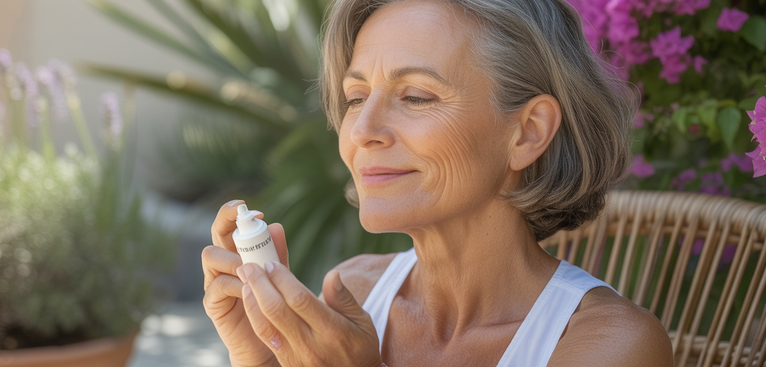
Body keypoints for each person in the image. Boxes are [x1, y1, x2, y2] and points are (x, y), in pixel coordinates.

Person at [202, 0, 675, 365]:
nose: (362, 130)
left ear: (528, 132)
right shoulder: (354, 294)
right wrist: (262, 358)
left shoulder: (608, 346)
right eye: (355, 96)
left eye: (415, 96)